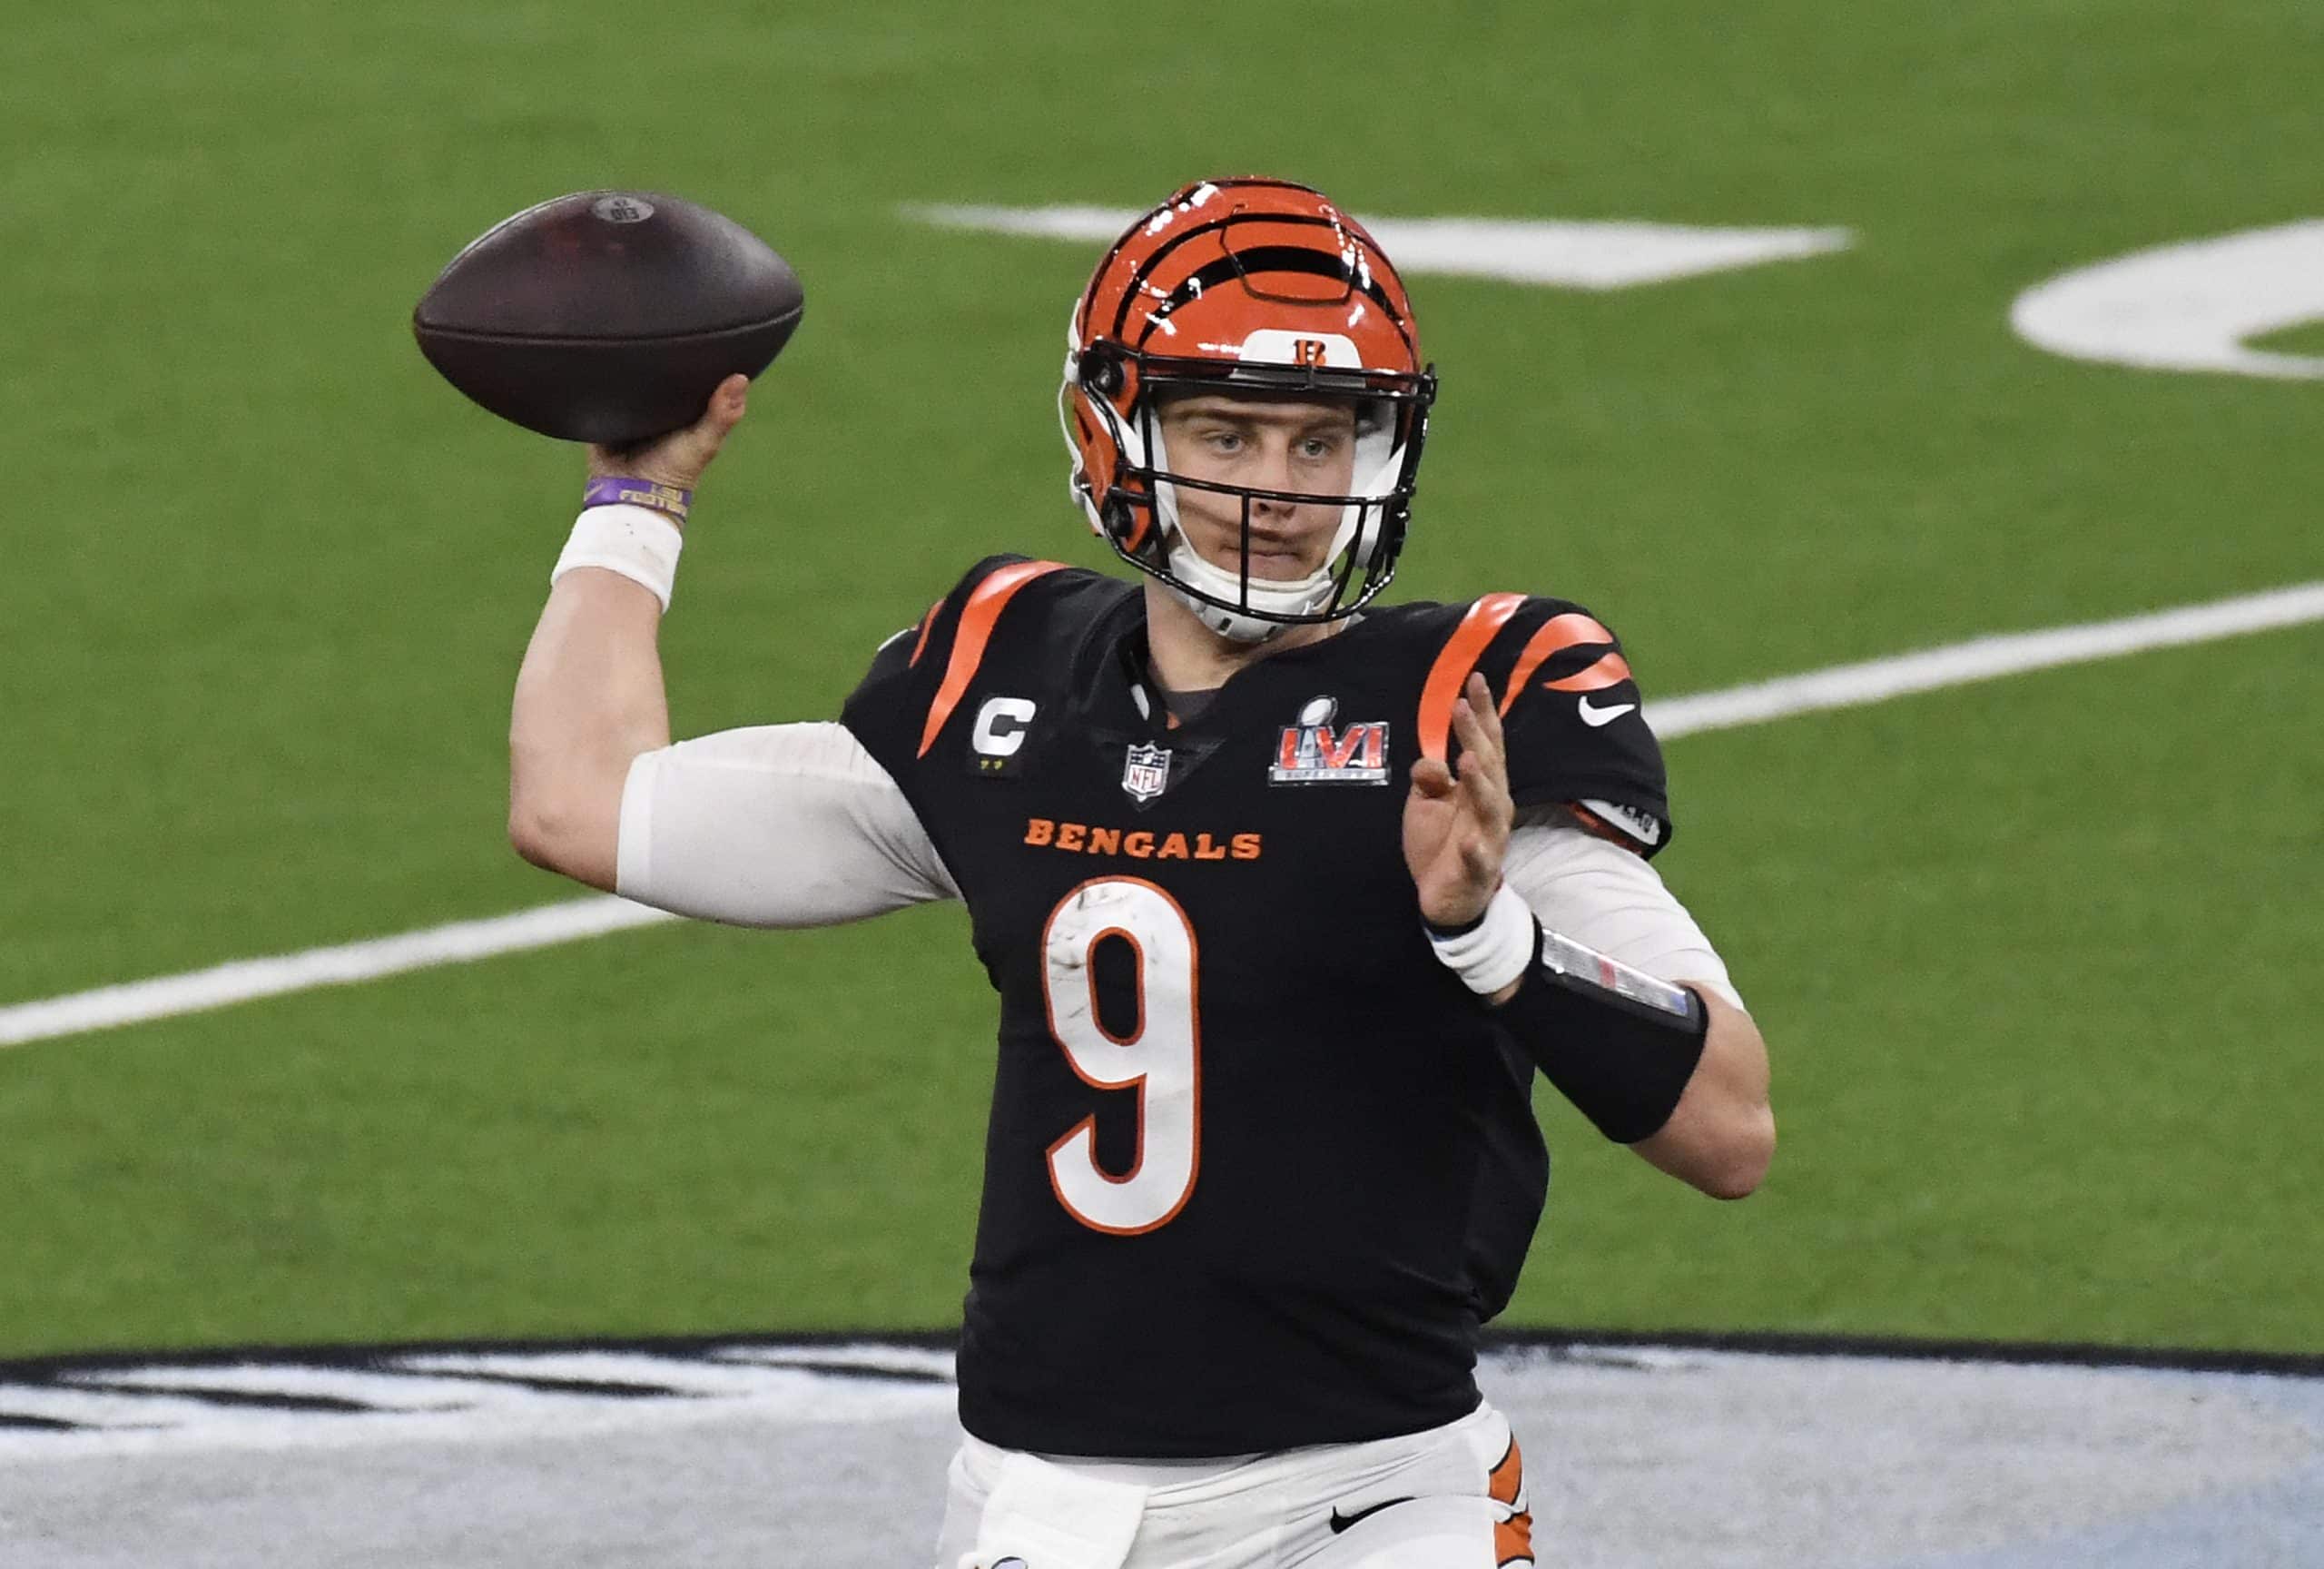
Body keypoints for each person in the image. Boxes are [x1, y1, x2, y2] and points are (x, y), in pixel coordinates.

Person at [507, 176, 1773, 1568]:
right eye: (1225, 431)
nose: (1274, 492)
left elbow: (1728, 1128)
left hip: (1371, 1497)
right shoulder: (1005, 682)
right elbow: (583, 805)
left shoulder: (1463, 706)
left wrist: (1491, 936)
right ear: (1114, 428)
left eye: (1319, 442)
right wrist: (636, 494)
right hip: (1039, 1502)